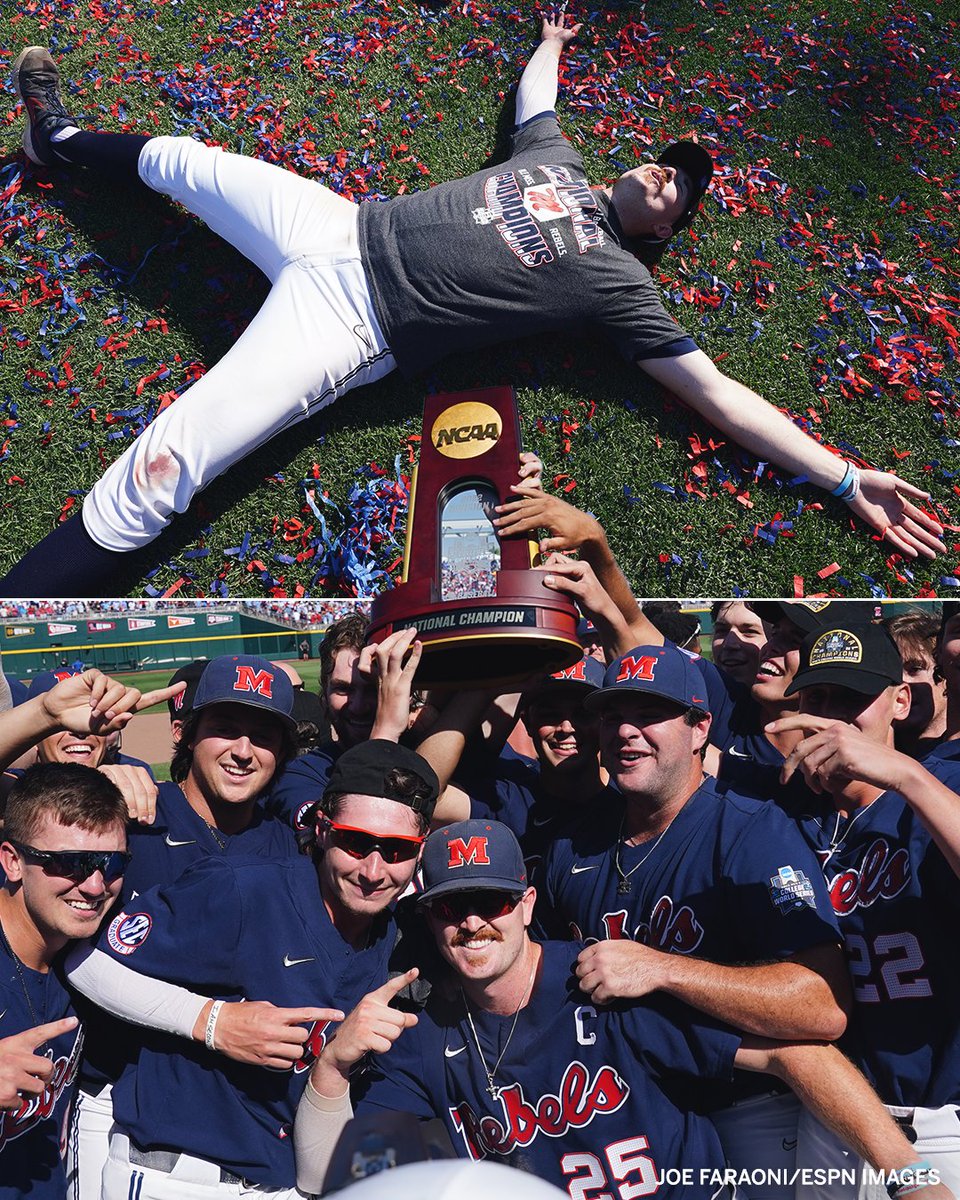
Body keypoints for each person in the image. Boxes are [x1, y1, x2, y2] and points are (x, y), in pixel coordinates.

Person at [1, 15, 944, 596]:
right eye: (667, 161)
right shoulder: (558, 158)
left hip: (353, 322)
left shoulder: (619, 284)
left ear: (661, 233)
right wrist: (550, 46)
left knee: (163, 470)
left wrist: (840, 477)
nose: (666, 173)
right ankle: (59, 141)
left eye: (677, 191)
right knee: (183, 161)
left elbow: (717, 393)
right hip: (335, 224)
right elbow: (535, 101)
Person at [293, 819, 948, 1200]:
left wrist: (914, 1179)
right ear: (429, 919)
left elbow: (796, 1051)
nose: (471, 923)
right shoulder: (424, 1039)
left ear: (524, 904)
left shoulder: (602, 985)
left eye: (489, 902)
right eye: (449, 907)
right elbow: (335, 1183)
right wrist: (332, 1070)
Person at [534, 642, 850, 1197]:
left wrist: (667, 970)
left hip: (747, 1112)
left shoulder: (749, 830)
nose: (626, 731)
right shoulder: (573, 840)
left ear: (700, 727)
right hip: (625, 1119)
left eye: (650, 714)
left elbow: (821, 1005)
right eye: (612, 715)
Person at [66, 739, 439, 1199]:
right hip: (179, 1176)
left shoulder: (396, 946)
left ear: (420, 852)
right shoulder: (243, 889)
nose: (374, 868)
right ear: (322, 830)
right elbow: (87, 963)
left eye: (397, 850)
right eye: (355, 841)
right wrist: (211, 1021)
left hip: (281, 1184)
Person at [764, 620, 960, 1195]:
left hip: (941, 1123)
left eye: (854, 700)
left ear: (900, 701)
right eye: (819, 698)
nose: (833, 718)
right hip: (834, 1119)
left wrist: (905, 776)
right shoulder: (783, 811)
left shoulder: (940, 787)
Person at [0, 763, 129, 1200]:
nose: (94, 886)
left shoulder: (84, 962)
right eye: (70, 863)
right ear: (13, 861)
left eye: (111, 863)